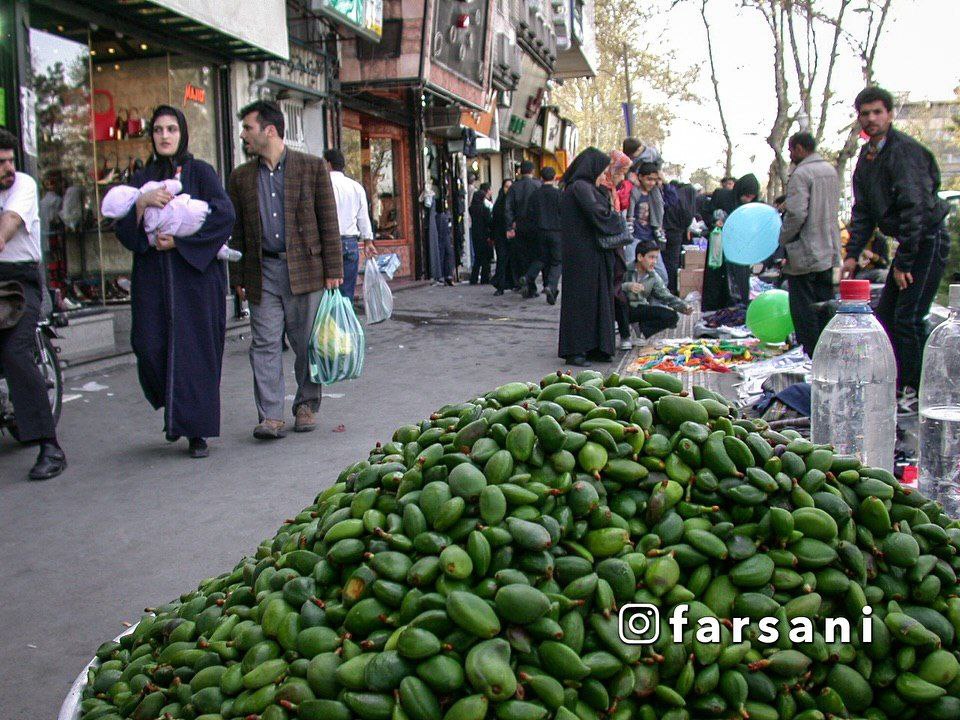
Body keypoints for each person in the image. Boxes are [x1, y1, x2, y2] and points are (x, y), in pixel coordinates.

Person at [113, 106, 236, 459]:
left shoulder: (201, 172)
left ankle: (195, 431)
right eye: (157, 130)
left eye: (171, 129)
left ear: (182, 133)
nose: (164, 136)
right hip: (152, 281)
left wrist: (180, 242)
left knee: (195, 352)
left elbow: (224, 215)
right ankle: (174, 409)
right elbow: (123, 229)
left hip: (194, 279)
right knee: (149, 345)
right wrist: (142, 202)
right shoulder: (143, 177)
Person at [228, 100, 343, 440]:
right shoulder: (241, 177)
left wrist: (333, 269)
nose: (243, 135)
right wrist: (238, 278)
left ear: (270, 130)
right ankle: (271, 416)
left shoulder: (311, 167)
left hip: (307, 269)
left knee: (307, 342)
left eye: (248, 128)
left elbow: (328, 221)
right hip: (263, 270)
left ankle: (306, 404)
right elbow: (237, 232)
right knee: (263, 343)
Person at [843, 85, 951, 412]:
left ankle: (922, 392)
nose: (872, 119)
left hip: (925, 240)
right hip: (909, 244)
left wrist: (904, 261)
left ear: (889, 114)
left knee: (909, 318)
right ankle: (900, 383)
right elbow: (863, 211)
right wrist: (851, 254)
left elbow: (915, 208)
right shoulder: (867, 156)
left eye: (878, 112)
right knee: (887, 315)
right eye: (865, 113)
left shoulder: (903, 152)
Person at [0, 130, 66, 480]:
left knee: (14, 353)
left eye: (10, 159)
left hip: (18, 282)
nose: (8, 168)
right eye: (0, 163)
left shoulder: (23, 186)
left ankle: (50, 447)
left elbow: (8, 224)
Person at [558, 148, 626, 366]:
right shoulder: (581, 187)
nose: (603, 174)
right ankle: (577, 349)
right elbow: (600, 215)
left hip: (590, 254)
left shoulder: (583, 187)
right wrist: (618, 221)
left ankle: (594, 346)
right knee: (582, 302)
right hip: (583, 256)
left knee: (595, 300)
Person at [777, 132, 841, 357]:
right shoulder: (830, 170)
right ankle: (828, 352)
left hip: (804, 250)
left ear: (800, 149)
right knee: (825, 304)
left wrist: (782, 238)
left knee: (803, 307)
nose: (790, 155)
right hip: (829, 247)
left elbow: (796, 213)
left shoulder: (802, 173)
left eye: (791, 150)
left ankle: (809, 353)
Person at [322, 149, 376, 302]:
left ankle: (330, 325)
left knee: (328, 295)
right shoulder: (355, 187)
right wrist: (368, 241)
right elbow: (363, 217)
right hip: (350, 243)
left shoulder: (322, 184)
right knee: (346, 295)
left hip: (328, 243)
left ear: (328, 163)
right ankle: (345, 324)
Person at [620, 239, 694, 341]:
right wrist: (628, 286)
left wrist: (683, 306)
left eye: (656, 258)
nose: (654, 262)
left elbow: (665, 295)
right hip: (621, 308)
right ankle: (625, 337)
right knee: (620, 304)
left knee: (672, 317)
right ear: (640, 257)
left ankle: (642, 331)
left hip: (640, 307)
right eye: (651, 257)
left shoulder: (653, 276)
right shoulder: (625, 269)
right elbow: (611, 288)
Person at [521, 167, 563, 304]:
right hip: (556, 232)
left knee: (541, 258)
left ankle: (528, 276)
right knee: (557, 261)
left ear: (541, 178)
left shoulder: (535, 195)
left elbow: (529, 215)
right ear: (554, 177)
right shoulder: (559, 195)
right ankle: (551, 285)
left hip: (539, 232)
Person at [505, 161, 541, 296]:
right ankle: (531, 283)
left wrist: (510, 225)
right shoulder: (538, 185)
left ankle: (527, 283)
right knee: (536, 256)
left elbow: (508, 208)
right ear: (532, 171)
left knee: (523, 256)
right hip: (535, 226)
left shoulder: (514, 187)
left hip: (519, 226)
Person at [727, 172, 761, 306]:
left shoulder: (754, 207)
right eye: (746, 196)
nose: (748, 200)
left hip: (743, 248)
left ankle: (742, 301)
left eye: (752, 198)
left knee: (742, 278)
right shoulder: (726, 199)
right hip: (727, 246)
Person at [490, 179, 513, 295]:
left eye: (510, 187)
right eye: (506, 187)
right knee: (502, 260)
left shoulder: (514, 202)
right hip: (500, 237)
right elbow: (494, 221)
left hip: (513, 237)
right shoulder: (499, 204)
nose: (508, 189)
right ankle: (500, 285)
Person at [469, 182, 493, 285]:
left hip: (475, 234)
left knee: (478, 258)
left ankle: (474, 278)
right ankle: (485, 278)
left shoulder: (472, 209)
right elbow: (489, 223)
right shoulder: (485, 210)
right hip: (485, 235)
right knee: (486, 259)